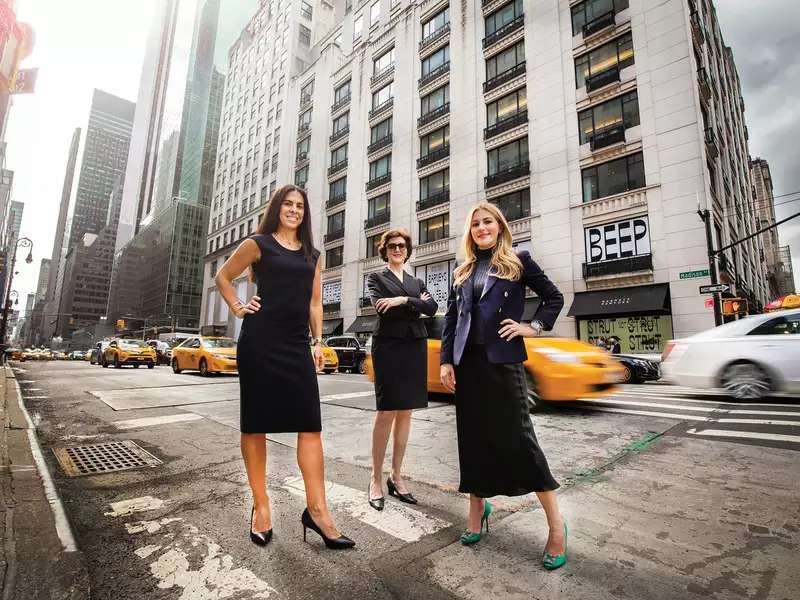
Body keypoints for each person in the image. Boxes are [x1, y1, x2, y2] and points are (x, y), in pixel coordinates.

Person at [214, 184, 355, 550]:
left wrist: (319, 342)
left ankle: (318, 510)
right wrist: (237, 307)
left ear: (305, 213)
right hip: (260, 343)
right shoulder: (258, 244)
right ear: (277, 208)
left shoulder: (313, 254)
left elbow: (314, 304)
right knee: (256, 424)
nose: (294, 210)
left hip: (296, 347)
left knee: (310, 426)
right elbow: (223, 278)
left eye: (300, 206)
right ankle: (261, 506)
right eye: (288, 204)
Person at [439, 202, 568, 570]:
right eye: (476, 224)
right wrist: (447, 360)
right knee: (473, 439)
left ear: (499, 226)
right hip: (469, 365)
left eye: (488, 222)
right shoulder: (462, 270)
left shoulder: (518, 259)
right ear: (470, 231)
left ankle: (556, 526)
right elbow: (452, 319)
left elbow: (553, 297)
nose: (482, 228)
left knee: (521, 441)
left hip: (504, 361)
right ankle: (477, 509)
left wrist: (533, 327)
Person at [366, 229, 438, 510]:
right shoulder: (376, 278)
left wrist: (403, 300)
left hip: (414, 346)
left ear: (408, 251)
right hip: (388, 347)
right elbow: (380, 308)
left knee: (406, 411)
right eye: (393, 246)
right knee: (386, 411)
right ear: (385, 251)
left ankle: (396, 477)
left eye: (402, 246)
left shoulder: (416, 280)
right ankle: (375, 478)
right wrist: (412, 305)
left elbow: (431, 308)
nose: (397, 249)